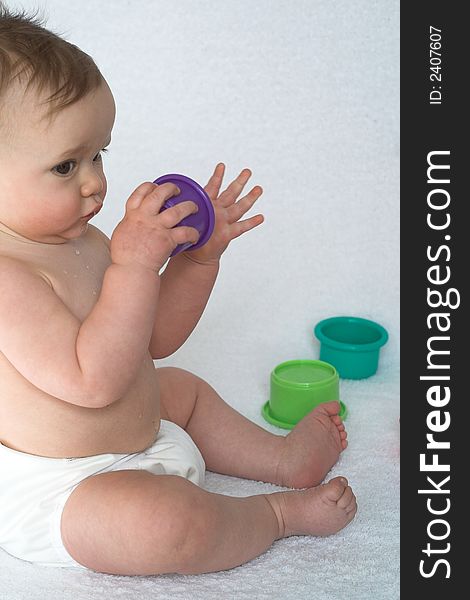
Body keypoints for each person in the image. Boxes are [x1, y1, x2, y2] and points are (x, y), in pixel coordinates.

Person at [0, 5, 356, 576]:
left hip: (142, 435)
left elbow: (153, 339)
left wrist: (196, 261)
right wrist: (136, 267)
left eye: (99, 154)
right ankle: (275, 515)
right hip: (67, 489)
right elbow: (94, 382)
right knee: (161, 527)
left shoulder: (85, 242)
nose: (95, 182)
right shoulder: (6, 278)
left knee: (181, 388)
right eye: (66, 166)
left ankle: (282, 458)